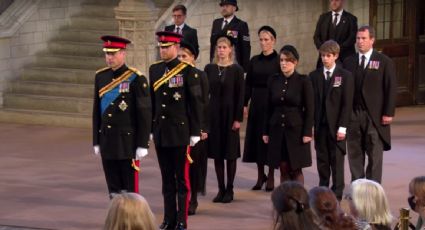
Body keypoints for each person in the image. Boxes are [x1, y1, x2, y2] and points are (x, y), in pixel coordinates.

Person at [149, 31, 203, 230]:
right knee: (166, 179)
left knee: (181, 179)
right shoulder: (154, 70)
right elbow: (152, 102)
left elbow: (195, 103)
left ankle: (181, 220)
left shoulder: (188, 72)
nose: (163, 50)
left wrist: (195, 131)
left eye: (166, 47)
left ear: (176, 47)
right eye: (161, 47)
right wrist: (151, 129)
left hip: (180, 133)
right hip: (162, 132)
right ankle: (168, 218)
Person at [92, 35, 151, 199]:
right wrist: (96, 140)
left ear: (123, 53)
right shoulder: (100, 77)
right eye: (107, 54)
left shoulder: (136, 78)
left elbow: (144, 113)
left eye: (113, 53)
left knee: (129, 191)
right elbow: (96, 110)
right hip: (107, 140)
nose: (109, 57)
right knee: (113, 189)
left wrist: (142, 143)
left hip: (127, 143)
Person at [343, 26, 397, 183]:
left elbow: (391, 88)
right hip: (354, 115)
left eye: (363, 38)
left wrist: (389, 112)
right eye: (358, 38)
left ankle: (373, 191)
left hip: (375, 116)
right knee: (354, 154)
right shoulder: (348, 62)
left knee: (374, 155)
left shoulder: (384, 62)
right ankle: (357, 189)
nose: (360, 42)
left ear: (372, 40)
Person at [262, 45, 314, 185]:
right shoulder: (273, 80)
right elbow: (268, 108)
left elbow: (310, 109)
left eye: (287, 60)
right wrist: (265, 131)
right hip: (277, 129)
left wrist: (307, 132)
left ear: (295, 62)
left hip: (296, 131)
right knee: (283, 167)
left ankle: (300, 202)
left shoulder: (303, 81)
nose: (284, 63)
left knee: (296, 168)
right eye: (282, 60)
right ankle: (285, 202)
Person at [309, 40, 354, 200]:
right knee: (322, 160)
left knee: (336, 161)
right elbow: (312, 103)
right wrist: (311, 126)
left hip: (336, 126)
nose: (325, 59)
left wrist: (343, 127)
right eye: (322, 55)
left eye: (328, 56)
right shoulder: (314, 76)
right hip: (320, 125)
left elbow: (346, 104)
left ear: (336, 56)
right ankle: (323, 189)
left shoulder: (345, 76)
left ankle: (337, 193)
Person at [204, 35, 244, 203]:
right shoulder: (209, 68)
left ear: (230, 50)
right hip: (214, 115)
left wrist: (238, 118)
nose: (221, 50)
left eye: (224, 47)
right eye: (219, 47)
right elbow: (206, 94)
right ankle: (220, 189)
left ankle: (230, 189)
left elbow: (240, 96)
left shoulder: (236, 70)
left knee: (230, 154)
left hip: (230, 115)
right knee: (218, 154)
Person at [242, 25, 280, 192]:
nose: (263, 43)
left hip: (272, 102)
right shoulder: (254, 61)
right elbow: (248, 84)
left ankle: (271, 175)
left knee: (269, 140)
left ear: (273, 41)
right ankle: (260, 176)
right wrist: (244, 103)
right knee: (257, 139)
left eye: (267, 39)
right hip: (256, 103)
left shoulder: (279, 60)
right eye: (261, 40)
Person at [177, 40, 209, 215]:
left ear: (193, 58)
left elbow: (204, 104)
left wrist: (203, 128)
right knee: (179, 166)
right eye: (179, 56)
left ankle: (193, 199)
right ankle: (181, 197)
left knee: (194, 166)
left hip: (195, 128)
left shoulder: (200, 75)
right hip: (178, 129)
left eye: (185, 56)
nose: (181, 59)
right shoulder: (173, 75)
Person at [313, 0, 357, 68]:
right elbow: (316, 37)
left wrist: (336, 51)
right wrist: (324, 50)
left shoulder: (351, 19)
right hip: (325, 60)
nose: (333, 2)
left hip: (344, 60)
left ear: (343, 1)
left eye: (336, 0)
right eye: (331, 0)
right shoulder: (323, 17)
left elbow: (352, 39)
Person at [210, 0, 250, 72]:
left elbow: (246, 49)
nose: (224, 8)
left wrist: (245, 70)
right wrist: (211, 63)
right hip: (217, 64)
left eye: (227, 6)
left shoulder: (241, 25)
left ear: (234, 8)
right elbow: (213, 45)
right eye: (222, 6)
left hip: (234, 66)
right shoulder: (216, 23)